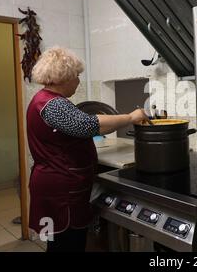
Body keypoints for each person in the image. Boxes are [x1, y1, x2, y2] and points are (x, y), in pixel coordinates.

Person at [27, 46, 148, 252]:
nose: (78, 81)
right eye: (76, 76)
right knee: (67, 246)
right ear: (63, 77)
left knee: (58, 244)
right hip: (62, 191)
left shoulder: (43, 100)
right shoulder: (53, 104)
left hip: (52, 185)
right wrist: (131, 117)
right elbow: (89, 125)